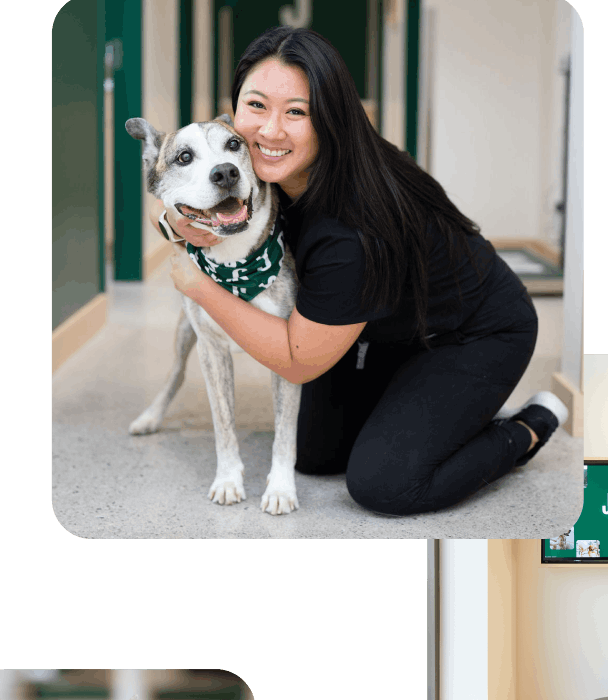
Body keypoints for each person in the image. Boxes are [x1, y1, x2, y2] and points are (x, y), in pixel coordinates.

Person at [155, 25, 567, 516]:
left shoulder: (349, 229)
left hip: (474, 331)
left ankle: (525, 427)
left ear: (328, 118)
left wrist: (197, 285)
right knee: (314, 455)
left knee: (385, 483)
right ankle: (431, 409)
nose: (270, 131)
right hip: (381, 326)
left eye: (297, 112)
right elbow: (189, 190)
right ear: (234, 109)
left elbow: (295, 360)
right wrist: (174, 220)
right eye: (256, 105)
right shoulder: (265, 173)